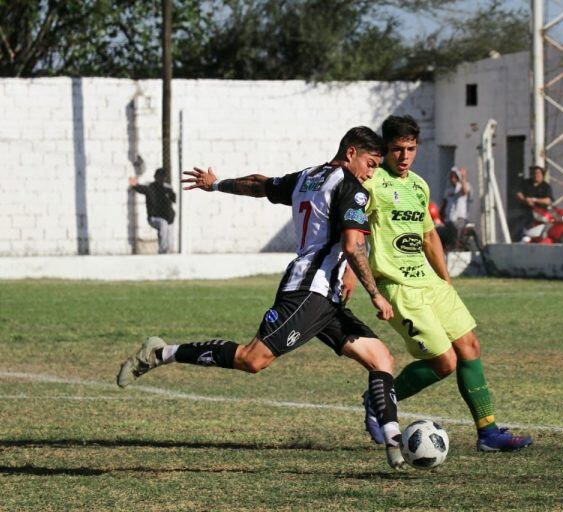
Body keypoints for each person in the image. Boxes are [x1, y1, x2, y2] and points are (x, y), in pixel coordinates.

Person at [116, 127, 406, 469]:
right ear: (351, 152)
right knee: (252, 360)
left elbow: (260, 185)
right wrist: (374, 292)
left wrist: (217, 183)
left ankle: (394, 443)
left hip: (324, 298)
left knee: (381, 359)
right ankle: (161, 352)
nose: (371, 173)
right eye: (370, 164)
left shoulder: (307, 177)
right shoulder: (350, 187)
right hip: (307, 293)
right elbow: (353, 244)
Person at [348, 115, 532, 452]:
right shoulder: (371, 184)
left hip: (431, 283)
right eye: (397, 149)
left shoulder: (418, 185)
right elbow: (354, 235)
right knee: (443, 362)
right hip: (398, 286)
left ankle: (488, 433)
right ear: (385, 149)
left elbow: (429, 235)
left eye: (411, 149)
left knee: (470, 347)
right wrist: (354, 279)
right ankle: (378, 400)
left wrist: (445, 281)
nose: (404, 156)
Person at [129, 168, 177, 253]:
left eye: (163, 177)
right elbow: (138, 187)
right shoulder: (150, 187)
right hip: (154, 218)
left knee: (169, 240)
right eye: (159, 177)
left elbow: (175, 199)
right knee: (163, 224)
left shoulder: (168, 188)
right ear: (155, 177)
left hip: (169, 219)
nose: (161, 179)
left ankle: (167, 252)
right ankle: (162, 251)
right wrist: (132, 178)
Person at [513, 165, 554, 242]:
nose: (535, 175)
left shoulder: (546, 186)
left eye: (538, 173)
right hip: (525, 213)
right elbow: (518, 193)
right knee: (519, 231)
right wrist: (525, 200)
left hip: (541, 216)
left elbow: (548, 200)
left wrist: (534, 200)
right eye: (533, 173)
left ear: (542, 174)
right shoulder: (525, 183)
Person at [438, 166, 471, 250]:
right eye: (451, 176)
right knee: (437, 231)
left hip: (460, 220)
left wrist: (463, 177)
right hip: (448, 220)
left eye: (454, 176)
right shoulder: (448, 190)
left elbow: (465, 191)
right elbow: (443, 204)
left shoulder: (462, 186)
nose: (452, 178)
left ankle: (454, 250)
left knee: (454, 229)